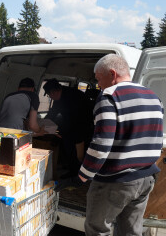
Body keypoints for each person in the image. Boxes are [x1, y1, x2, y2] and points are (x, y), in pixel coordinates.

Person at [55, 54, 164, 236]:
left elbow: (101, 145)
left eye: (98, 78)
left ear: (112, 73)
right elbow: (156, 138)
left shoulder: (109, 97)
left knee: (98, 230)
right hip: (147, 178)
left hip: (116, 181)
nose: (98, 85)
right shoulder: (153, 96)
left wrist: (81, 177)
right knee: (131, 231)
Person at [43, 78, 93, 177]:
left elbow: (73, 119)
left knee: (75, 151)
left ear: (54, 92)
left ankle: (76, 174)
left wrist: (60, 131)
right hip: (73, 126)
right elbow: (53, 112)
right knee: (68, 147)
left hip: (82, 126)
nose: (50, 97)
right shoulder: (60, 96)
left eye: (49, 95)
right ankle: (72, 168)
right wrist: (43, 123)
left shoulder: (72, 97)